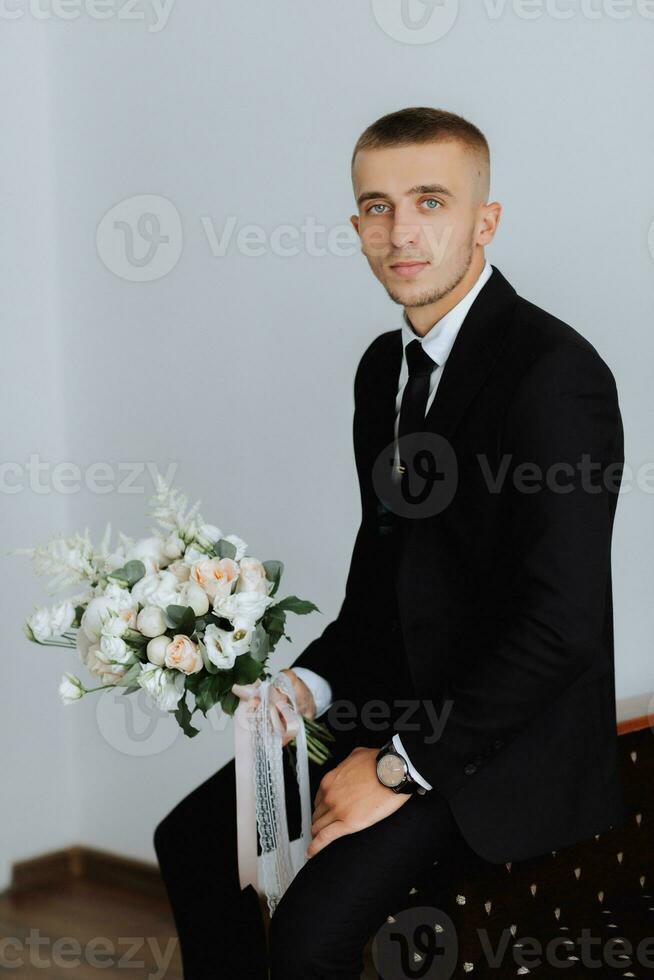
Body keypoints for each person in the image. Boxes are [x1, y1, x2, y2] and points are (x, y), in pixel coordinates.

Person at [154, 106, 627, 979]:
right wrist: (306, 683)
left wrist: (400, 767)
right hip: (397, 706)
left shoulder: (555, 377)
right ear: (356, 226)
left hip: (500, 747)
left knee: (306, 936)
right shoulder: (384, 366)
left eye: (430, 200)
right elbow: (384, 592)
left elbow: (563, 629)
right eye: (377, 207)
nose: (401, 232)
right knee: (190, 841)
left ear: (484, 220)